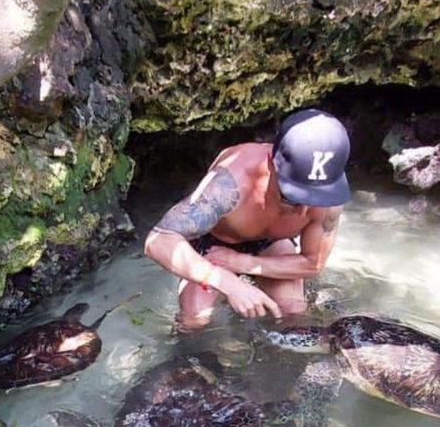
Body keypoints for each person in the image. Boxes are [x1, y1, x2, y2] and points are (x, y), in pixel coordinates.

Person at [143, 109, 352, 329]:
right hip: (213, 244)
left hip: (270, 242)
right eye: (291, 197)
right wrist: (224, 280)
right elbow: (158, 241)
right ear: (272, 163)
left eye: (315, 197)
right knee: (194, 320)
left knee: (294, 314)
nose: (303, 210)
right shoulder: (231, 181)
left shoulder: (330, 197)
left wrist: (245, 264)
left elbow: (313, 263)